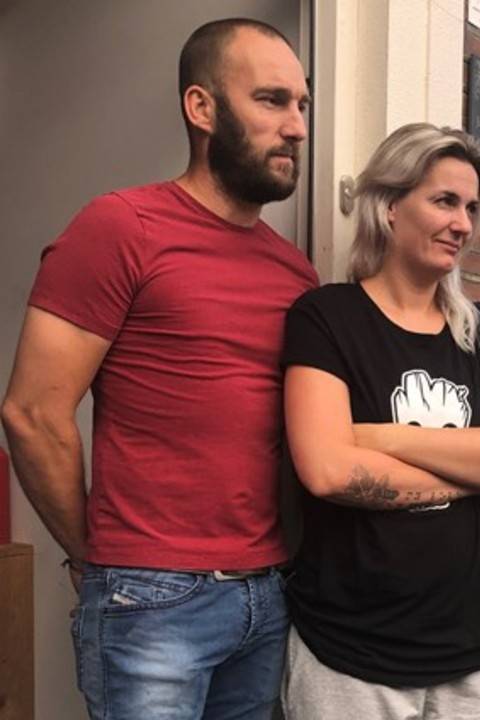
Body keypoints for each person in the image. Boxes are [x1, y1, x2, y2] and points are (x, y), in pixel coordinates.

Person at [0, 18, 316, 720]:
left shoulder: (296, 273)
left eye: (303, 104)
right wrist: (95, 554)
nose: (295, 125)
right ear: (201, 108)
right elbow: (31, 411)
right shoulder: (119, 228)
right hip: (152, 599)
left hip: (266, 596)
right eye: (271, 100)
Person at [280, 123, 480, 720]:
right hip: (353, 654)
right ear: (391, 205)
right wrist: (477, 466)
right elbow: (326, 472)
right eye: (444, 201)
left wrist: (382, 438)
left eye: (471, 207)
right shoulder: (325, 319)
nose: (463, 224)